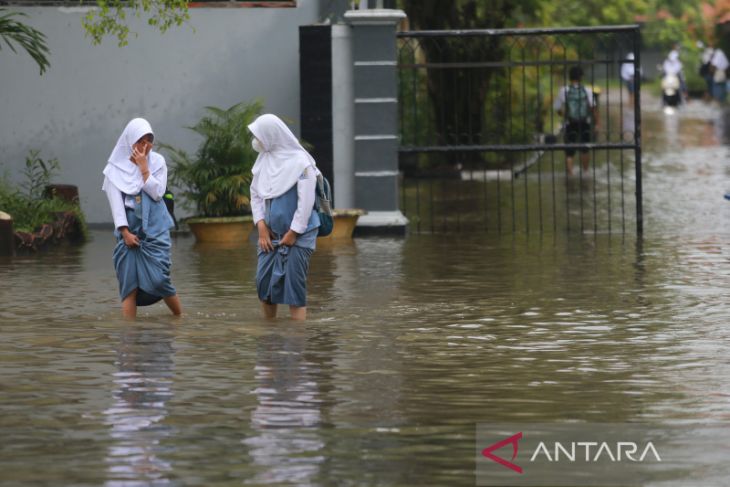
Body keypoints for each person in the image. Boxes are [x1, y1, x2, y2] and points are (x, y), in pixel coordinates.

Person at [103, 118, 182, 319]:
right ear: (130, 141)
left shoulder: (158, 162)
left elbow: (157, 193)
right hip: (129, 228)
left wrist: (143, 168)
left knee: (160, 280)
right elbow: (116, 204)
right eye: (141, 141)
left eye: (149, 141)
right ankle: (130, 336)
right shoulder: (114, 169)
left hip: (155, 228)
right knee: (128, 284)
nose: (145, 146)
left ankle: (179, 319)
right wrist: (125, 232)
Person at [249, 114, 321, 321]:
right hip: (269, 235)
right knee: (264, 285)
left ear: (271, 135)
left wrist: (293, 232)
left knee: (294, 289)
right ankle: (270, 336)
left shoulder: (301, 162)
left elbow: (306, 201)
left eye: (259, 135)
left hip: (299, 235)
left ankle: (296, 342)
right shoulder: (263, 160)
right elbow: (255, 193)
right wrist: (261, 225)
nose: (256, 140)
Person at [554, 66, 599, 177]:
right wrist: (598, 123)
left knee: (569, 149)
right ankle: (585, 172)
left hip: (570, 122)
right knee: (585, 148)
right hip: (584, 122)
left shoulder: (564, 90)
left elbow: (557, 108)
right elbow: (593, 108)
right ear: (581, 77)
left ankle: (570, 174)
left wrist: (564, 115)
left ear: (570, 77)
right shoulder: (587, 90)